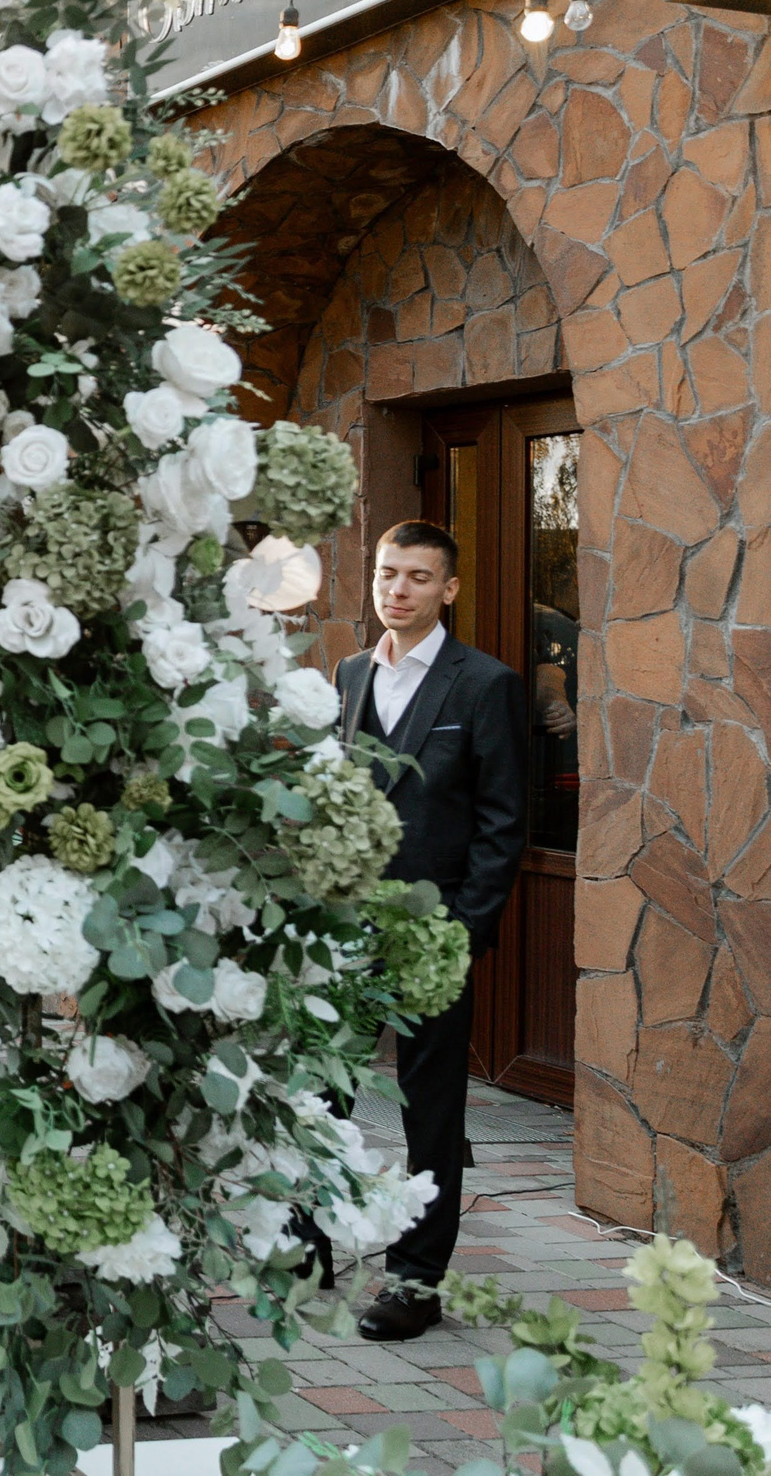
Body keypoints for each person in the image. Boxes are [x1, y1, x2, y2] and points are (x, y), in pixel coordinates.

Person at [334, 518, 527, 1341]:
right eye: (387, 574)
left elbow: (503, 823)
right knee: (319, 1096)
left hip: (434, 936)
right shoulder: (345, 675)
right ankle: (312, 1240)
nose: (398, 590)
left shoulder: (484, 685)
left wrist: (464, 933)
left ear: (447, 589)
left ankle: (415, 1281)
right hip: (339, 932)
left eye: (417, 577)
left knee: (430, 1110)